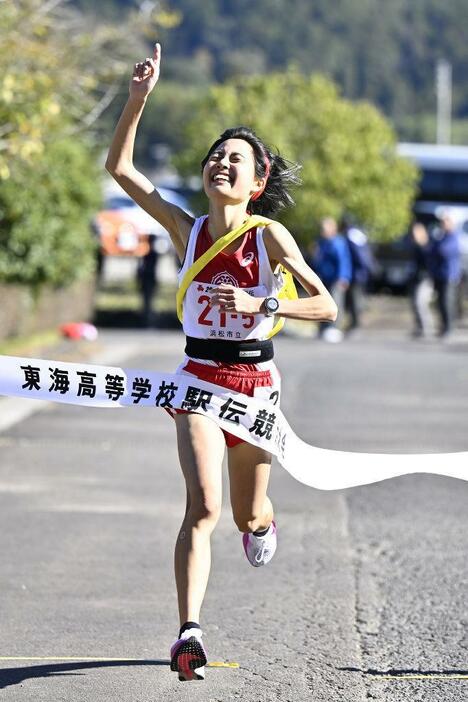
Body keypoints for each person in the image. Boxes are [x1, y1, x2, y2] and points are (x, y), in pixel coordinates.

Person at [105, 43, 337, 682]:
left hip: (256, 386)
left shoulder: (268, 237)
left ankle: (263, 523)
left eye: (235, 159)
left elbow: (327, 305)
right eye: (215, 156)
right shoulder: (187, 232)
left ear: (257, 181)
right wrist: (138, 99)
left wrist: (264, 299)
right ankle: (188, 633)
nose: (220, 164)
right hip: (197, 381)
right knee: (202, 508)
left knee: (246, 514)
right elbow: (120, 167)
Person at [310, 217, 352, 342]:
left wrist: (343, 277)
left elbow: (343, 261)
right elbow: (317, 262)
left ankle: (334, 328)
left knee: (335, 303)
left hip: (336, 279)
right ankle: (322, 328)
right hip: (323, 279)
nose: (322, 231)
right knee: (320, 302)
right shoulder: (320, 243)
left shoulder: (338, 242)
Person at [428, 212, 462, 339]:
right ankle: (443, 326)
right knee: (440, 303)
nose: (443, 224)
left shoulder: (454, 236)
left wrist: (436, 248)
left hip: (449, 275)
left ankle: (449, 327)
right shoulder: (441, 236)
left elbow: (444, 251)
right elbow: (431, 250)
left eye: (446, 221)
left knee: (447, 302)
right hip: (439, 274)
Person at [340, 216, 375, 333]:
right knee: (353, 299)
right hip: (359, 272)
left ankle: (356, 325)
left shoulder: (351, 235)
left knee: (355, 300)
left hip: (356, 273)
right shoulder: (357, 234)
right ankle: (353, 324)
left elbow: (359, 256)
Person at [407, 222, 434, 338]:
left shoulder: (427, 247)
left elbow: (430, 265)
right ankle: (419, 327)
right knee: (414, 303)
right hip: (416, 278)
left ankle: (426, 328)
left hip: (426, 279)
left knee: (420, 302)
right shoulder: (415, 247)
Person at [136, 233, 159, 327]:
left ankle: (147, 320)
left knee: (147, 301)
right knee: (147, 301)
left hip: (148, 279)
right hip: (148, 279)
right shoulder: (150, 253)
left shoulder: (150, 254)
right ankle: (146, 319)